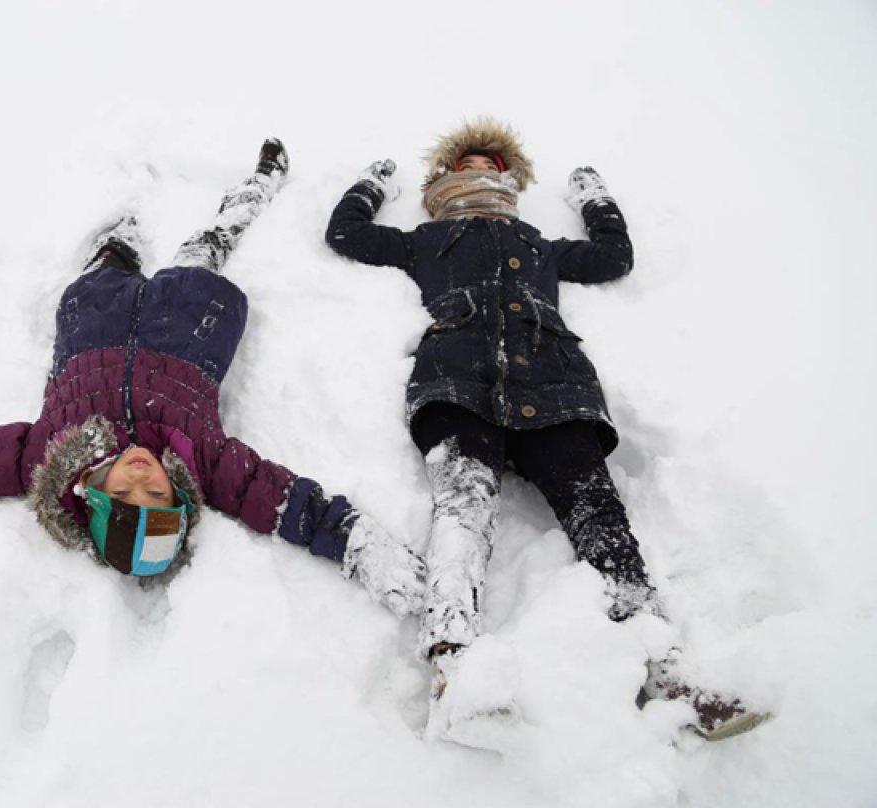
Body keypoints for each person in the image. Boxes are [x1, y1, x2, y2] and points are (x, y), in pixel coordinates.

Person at [0, 139, 426, 617]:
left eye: (125, 497)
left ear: (93, 495)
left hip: (96, 324)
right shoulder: (204, 462)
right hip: (185, 325)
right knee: (206, 248)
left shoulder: (46, 456)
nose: (142, 479)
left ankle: (120, 242)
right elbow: (285, 500)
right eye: (158, 496)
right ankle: (257, 187)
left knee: (106, 267)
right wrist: (357, 544)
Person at [325, 118, 766, 741]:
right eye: (471, 164)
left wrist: (596, 200)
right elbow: (346, 235)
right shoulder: (425, 240)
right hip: (456, 383)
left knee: (599, 516)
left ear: (511, 180)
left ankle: (666, 669)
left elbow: (614, 258)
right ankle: (452, 668)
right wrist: (371, 182)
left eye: (495, 166)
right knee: (462, 512)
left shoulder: (538, 245)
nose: (484, 171)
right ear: (447, 178)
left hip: (554, 387)